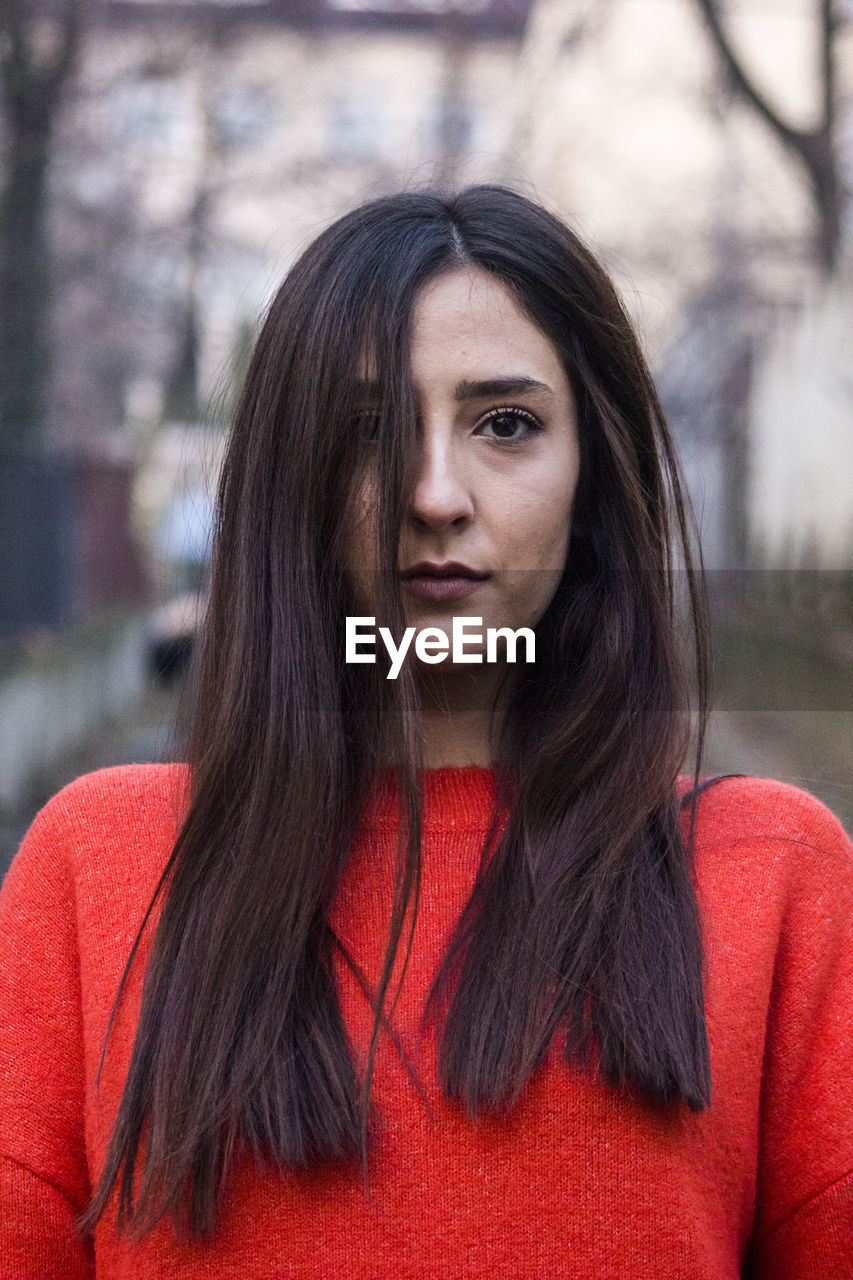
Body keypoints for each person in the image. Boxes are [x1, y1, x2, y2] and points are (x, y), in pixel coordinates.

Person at [0, 185, 850, 1278]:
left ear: (594, 479)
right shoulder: (98, 867)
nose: (435, 492)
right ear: (290, 483)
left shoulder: (771, 877)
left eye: (506, 423)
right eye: (368, 431)